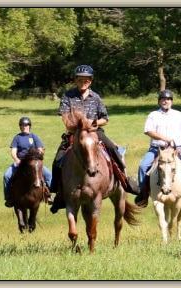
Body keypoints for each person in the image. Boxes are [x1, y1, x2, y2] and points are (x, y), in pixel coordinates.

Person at [49, 64, 139, 214]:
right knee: (58, 159)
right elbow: (64, 117)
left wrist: (95, 123)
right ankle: (58, 191)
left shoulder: (96, 97)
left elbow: (105, 118)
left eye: (86, 80)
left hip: (95, 132)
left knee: (113, 150)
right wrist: (76, 126)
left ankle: (125, 181)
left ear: (90, 81)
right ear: (75, 80)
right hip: (74, 133)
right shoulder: (68, 96)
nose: (83, 82)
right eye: (80, 79)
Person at [134, 89, 181, 209]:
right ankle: (143, 194)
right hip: (157, 149)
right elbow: (149, 131)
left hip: (177, 149)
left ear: (171, 101)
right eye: (163, 99)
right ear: (159, 101)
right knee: (143, 166)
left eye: (168, 99)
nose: (165, 101)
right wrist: (165, 138)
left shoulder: (178, 115)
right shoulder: (153, 115)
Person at [2, 116, 53, 207]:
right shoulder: (17, 138)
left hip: (33, 163)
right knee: (7, 175)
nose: (24, 126)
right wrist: (17, 160)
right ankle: (9, 197)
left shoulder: (34, 137)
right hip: (20, 162)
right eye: (22, 125)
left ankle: (48, 195)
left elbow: (40, 149)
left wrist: (38, 154)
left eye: (26, 125)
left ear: (29, 126)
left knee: (48, 174)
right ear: (20, 126)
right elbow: (13, 151)